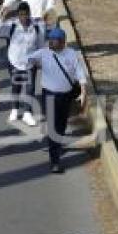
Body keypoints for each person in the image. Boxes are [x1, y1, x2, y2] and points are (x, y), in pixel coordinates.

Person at [27, 27, 87, 173]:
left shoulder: (71, 54)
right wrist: (36, 64)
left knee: (61, 125)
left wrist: (84, 92)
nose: (51, 43)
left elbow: (80, 74)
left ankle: (56, 146)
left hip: (66, 96)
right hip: (49, 95)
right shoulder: (44, 52)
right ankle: (55, 161)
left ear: (62, 42)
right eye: (50, 40)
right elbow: (29, 59)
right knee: (53, 127)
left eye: (54, 40)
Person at [0, 1, 42, 126]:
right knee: (16, 87)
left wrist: (39, 60)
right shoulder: (12, 26)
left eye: (26, 14)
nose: (24, 17)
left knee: (30, 88)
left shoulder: (37, 27)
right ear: (18, 15)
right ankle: (15, 109)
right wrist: (2, 18)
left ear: (29, 13)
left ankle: (27, 113)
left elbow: (40, 44)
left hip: (30, 63)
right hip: (15, 62)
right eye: (21, 14)